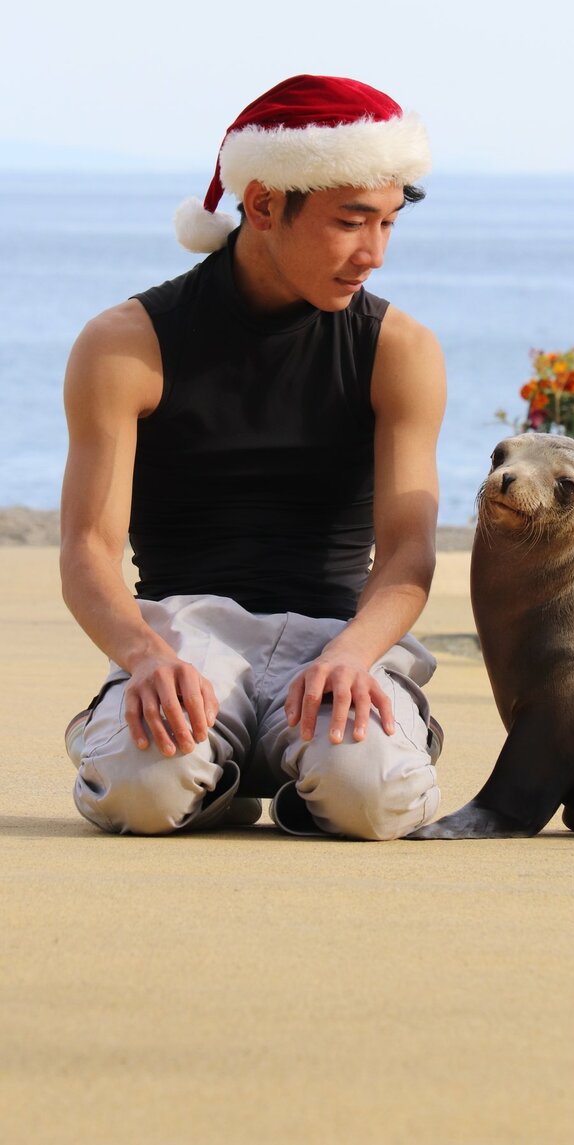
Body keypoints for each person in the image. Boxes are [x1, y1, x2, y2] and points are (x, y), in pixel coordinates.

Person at [61, 74, 446, 839]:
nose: (373, 253)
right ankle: (204, 770)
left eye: (390, 224)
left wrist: (354, 653)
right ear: (265, 203)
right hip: (184, 633)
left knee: (372, 798)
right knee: (141, 793)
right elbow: (87, 549)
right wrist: (143, 655)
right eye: (351, 222)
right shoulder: (126, 343)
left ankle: (308, 774)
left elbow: (406, 555)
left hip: (337, 635)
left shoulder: (399, 348)